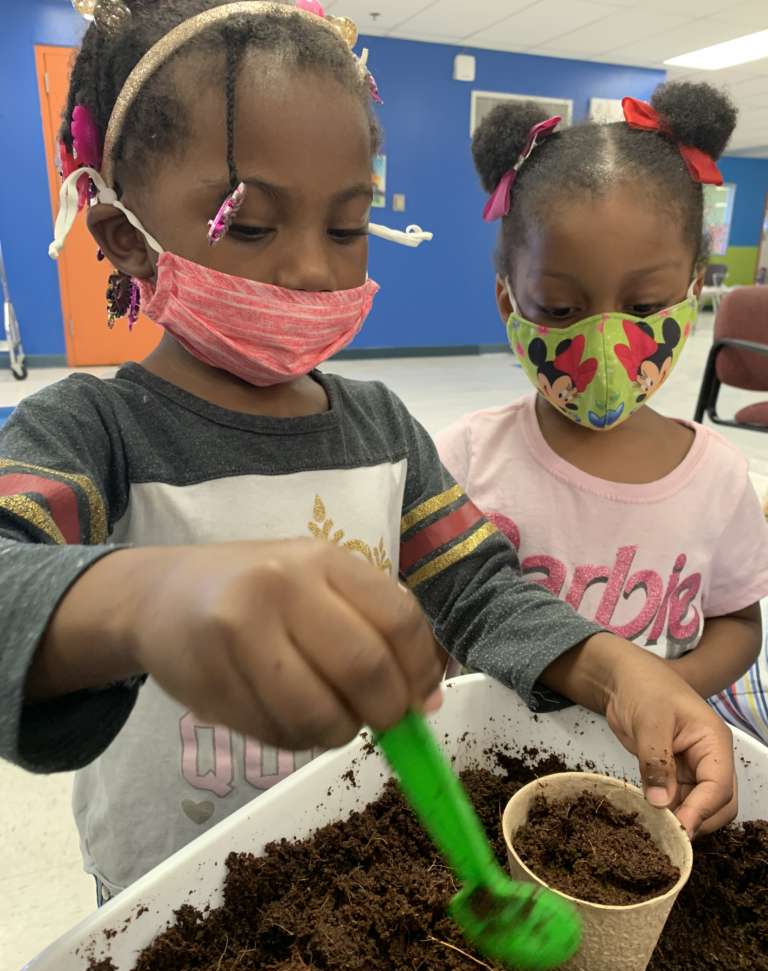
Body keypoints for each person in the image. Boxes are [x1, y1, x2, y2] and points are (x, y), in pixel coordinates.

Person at [0, 2, 735, 904]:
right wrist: (144, 599)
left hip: (350, 866)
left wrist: (619, 668)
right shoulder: (91, 433)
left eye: (347, 228)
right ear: (123, 235)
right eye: (253, 225)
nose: (313, 268)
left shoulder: (382, 429)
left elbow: (478, 590)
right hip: (165, 894)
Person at [437, 83, 768, 750]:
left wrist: (666, 684)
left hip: (644, 761)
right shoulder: (466, 459)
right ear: (509, 302)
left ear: (692, 291)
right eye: (559, 311)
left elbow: (738, 621)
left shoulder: (720, 478)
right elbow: (428, 610)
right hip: (486, 751)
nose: (605, 347)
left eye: (645, 307)